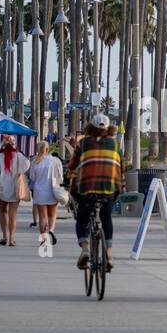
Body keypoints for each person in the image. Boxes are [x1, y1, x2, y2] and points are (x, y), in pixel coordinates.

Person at [67, 113, 125, 273]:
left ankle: (85, 249)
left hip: (88, 188)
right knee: (106, 218)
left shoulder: (84, 143)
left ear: (90, 127)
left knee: (82, 218)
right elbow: (122, 166)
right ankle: (109, 254)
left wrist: (70, 173)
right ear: (109, 128)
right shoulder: (115, 145)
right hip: (110, 188)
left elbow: (72, 165)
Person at [0, 135, 31, 247]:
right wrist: (20, 171)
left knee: (3, 212)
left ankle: (4, 236)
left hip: (1, 189)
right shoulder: (19, 156)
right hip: (15, 189)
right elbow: (27, 165)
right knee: (13, 215)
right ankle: (11, 239)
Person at [29, 142, 65, 249]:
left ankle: (43, 239)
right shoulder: (55, 160)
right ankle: (51, 231)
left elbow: (32, 177)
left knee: (42, 217)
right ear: (47, 149)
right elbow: (60, 176)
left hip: (39, 191)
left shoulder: (35, 161)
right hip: (52, 190)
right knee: (52, 214)